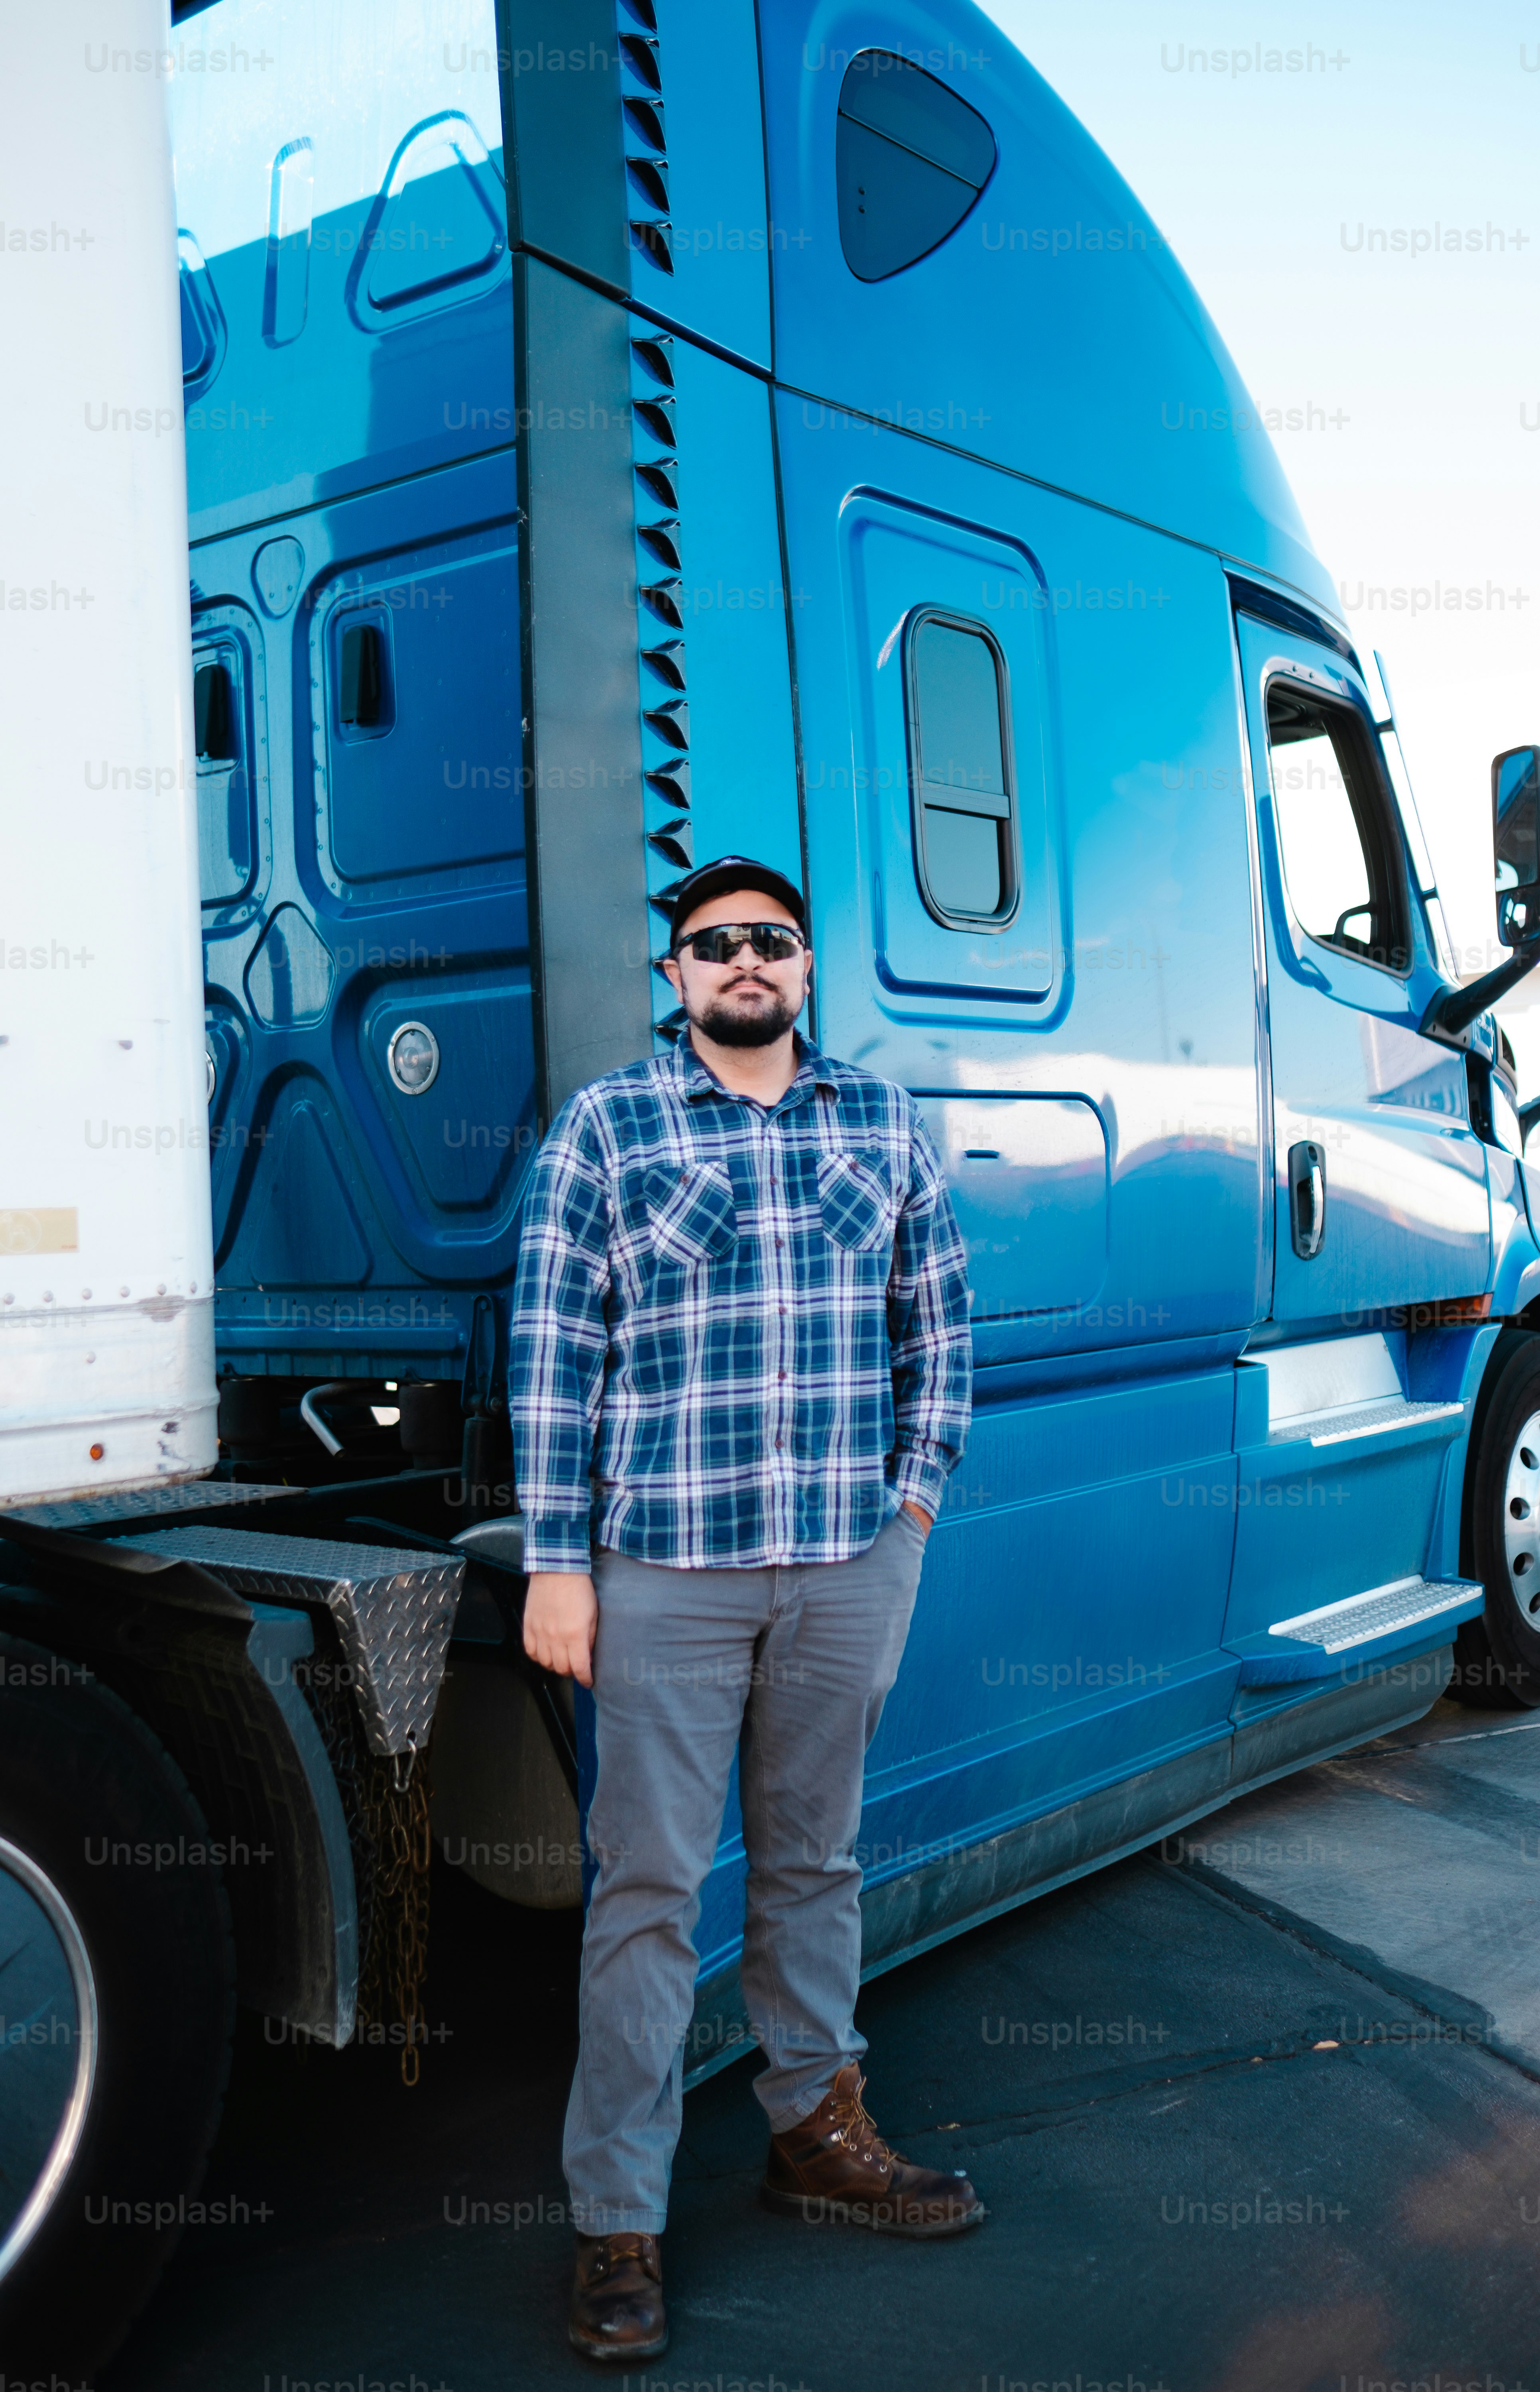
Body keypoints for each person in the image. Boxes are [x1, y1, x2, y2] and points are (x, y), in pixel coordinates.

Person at [510, 853, 979, 2365]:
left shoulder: (879, 1120)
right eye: (715, 945)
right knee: (647, 1892)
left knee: (813, 1861)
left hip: (846, 1562)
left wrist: (906, 1515)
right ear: (677, 976)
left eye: (771, 939)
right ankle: (618, 2222)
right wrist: (559, 1560)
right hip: (666, 1572)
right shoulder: (609, 1125)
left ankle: (814, 2136)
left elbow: (941, 1325)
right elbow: (552, 1349)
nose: (745, 963)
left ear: (805, 965)